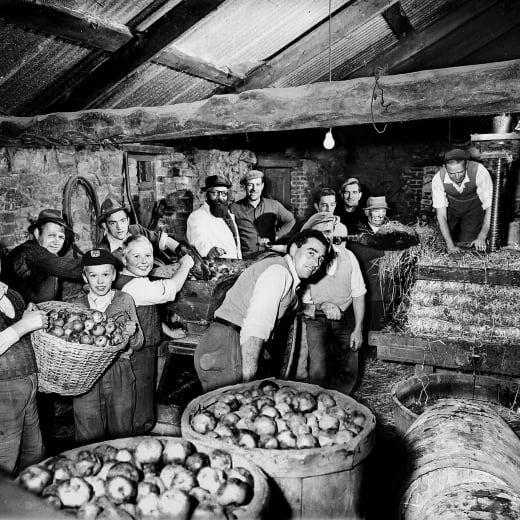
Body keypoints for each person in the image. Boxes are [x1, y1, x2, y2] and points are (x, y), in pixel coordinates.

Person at [194, 229, 330, 392]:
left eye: (320, 258)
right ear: (293, 249)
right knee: (238, 410)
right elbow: (255, 329)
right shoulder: (279, 273)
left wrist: (314, 307)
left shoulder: (283, 271)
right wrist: (249, 383)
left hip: (223, 342)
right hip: (229, 347)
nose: (316, 263)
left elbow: (292, 302)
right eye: (311, 253)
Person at [114, 236, 194, 434]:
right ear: (124, 259)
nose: (144, 261)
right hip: (136, 351)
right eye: (136, 256)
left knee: (145, 393)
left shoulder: (135, 280)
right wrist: (186, 264)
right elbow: (169, 291)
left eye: (148, 255)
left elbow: (145, 311)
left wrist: (169, 331)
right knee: (139, 398)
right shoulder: (132, 285)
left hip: (145, 348)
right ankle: (138, 436)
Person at [71, 249, 143, 443]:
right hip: (86, 373)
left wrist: (132, 332)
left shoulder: (124, 299)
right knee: (88, 431)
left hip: (119, 370)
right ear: (85, 277)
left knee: (122, 431)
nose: (100, 281)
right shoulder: (76, 306)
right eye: (93, 275)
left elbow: (139, 344)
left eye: (105, 274)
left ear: (114, 275)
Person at [300, 213, 366, 394]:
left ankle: (343, 402)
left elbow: (358, 294)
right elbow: (302, 301)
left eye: (329, 231)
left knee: (348, 369)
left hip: (345, 318)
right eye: (320, 232)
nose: (326, 237)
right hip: (315, 319)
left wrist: (358, 328)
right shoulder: (305, 260)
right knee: (317, 370)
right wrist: (323, 306)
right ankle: (317, 404)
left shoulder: (348, 257)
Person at [0, 281, 48, 476]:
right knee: (6, 454)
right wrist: (24, 324)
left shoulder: (12, 294)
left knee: (35, 452)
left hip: (28, 381)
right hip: (4, 387)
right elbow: (19, 329)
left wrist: (29, 317)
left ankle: (30, 500)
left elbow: (23, 334)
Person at [0, 209, 83, 304]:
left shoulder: (49, 253)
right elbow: (68, 267)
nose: (56, 242)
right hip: (22, 316)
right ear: (36, 233)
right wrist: (98, 262)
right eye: (51, 235)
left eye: (61, 237)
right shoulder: (30, 252)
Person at [97, 195, 194, 267]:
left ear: (128, 220)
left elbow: (164, 240)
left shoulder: (136, 230)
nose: (120, 227)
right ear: (105, 226)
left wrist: (182, 252)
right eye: (113, 223)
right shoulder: (104, 253)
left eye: (122, 221)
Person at [432, 148, 492, 253]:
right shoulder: (438, 179)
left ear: (466, 165)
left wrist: (482, 237)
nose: (456, 177)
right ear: (444, 168)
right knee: (441, 242)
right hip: (450, 208)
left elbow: (490, 207)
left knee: (469, 242)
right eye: (451, 174)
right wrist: (450, 246)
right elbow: (441, 216)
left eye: (460, 172)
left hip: (473, 208)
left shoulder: (479, 171)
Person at [230, 170, 295, 258]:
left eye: (257, 185)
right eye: (250, 185)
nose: (254, 189)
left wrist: (276, 236)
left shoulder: (274, 205)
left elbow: (290, 221)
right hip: (246, 259)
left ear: (262, 186)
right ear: (244, 186)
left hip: (269, 257)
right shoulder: (234, 208)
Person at [349, 196, 390, 333]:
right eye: (376, 210)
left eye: (383, 210)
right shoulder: (358, 232)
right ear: (367, 212)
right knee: (369, 334)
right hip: (369, 294)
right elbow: (360, 254)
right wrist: (387, 251)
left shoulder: (391, 231)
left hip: (388, 294)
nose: (380, 214)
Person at [186, 175, 242, 259]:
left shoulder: (227, 214)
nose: (219, 197)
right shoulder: (197, 216)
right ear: (207, 195)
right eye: (215, 193)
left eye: (223, 193)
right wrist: (210, 250)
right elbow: (198, 240)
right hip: (215, 267)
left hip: (234, 266)